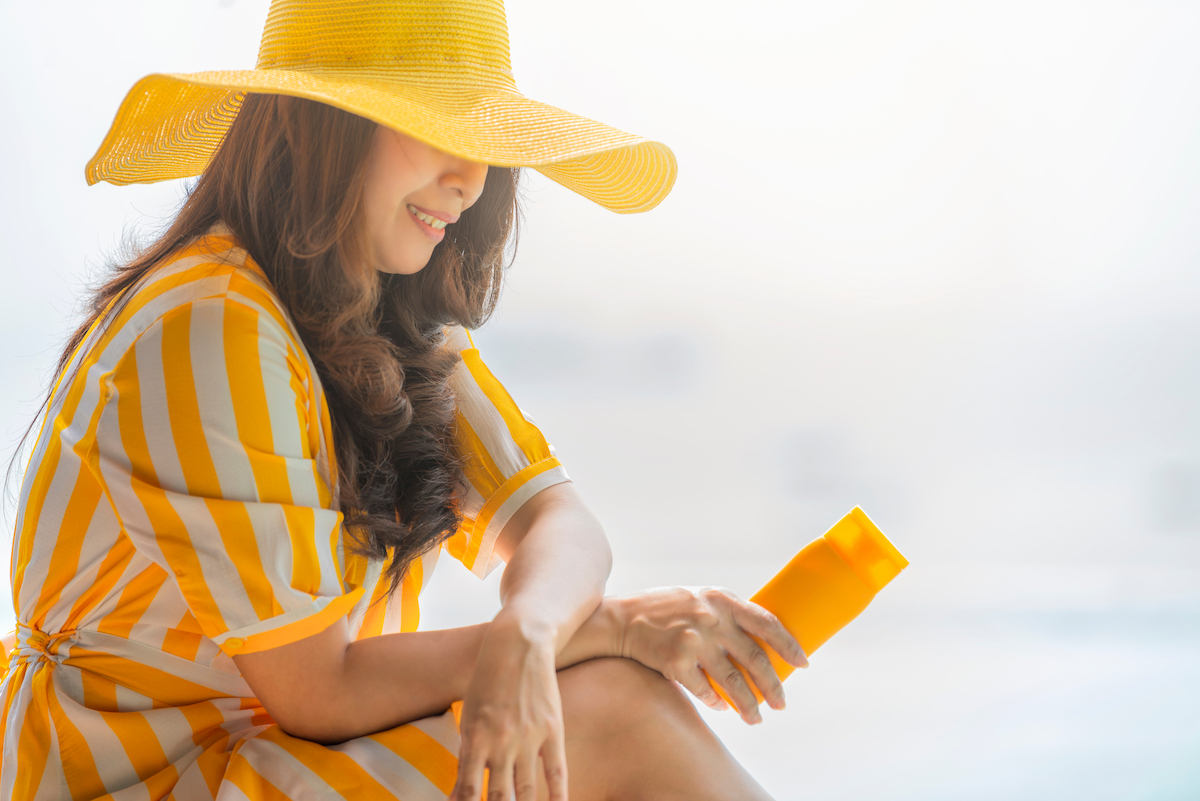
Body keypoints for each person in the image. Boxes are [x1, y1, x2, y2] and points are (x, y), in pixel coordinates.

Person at [1, 1, 808, 799]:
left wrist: (529, 632)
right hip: (129, 773)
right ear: (316, 123)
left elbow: (558, 520)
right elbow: (321, 688)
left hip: (271, 753)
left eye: (484, 142)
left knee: (603, 698)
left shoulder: (383, 318)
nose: (469, 180)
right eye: (435, 127)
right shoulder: (211, 323)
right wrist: (613, 629)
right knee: (621, 708)